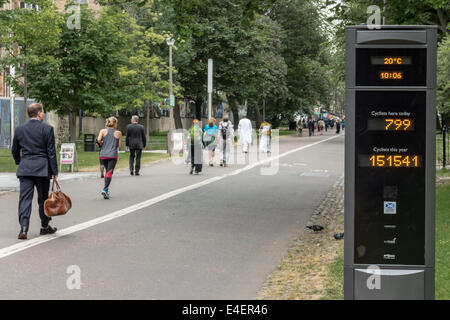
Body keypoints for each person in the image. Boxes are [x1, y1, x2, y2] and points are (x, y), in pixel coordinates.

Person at [11, 103, 58, 240]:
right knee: (43, 199)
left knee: (24, 199)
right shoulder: (47, 129)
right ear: (39, 113)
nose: (43, 114)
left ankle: (24, 228)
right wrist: (54, 171)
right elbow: (51, 153)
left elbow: (14, 150)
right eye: (43, 112)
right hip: (42, 169)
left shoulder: (19, 129)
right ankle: (44, 226)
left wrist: (19, 161)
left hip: (25, 168)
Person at [97, 117, 122, 199]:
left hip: (103, 154)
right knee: (109, 172)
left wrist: (102, 143)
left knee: (107, 172)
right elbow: (120, 146)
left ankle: (106, 191)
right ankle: (105, 189)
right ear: (115, 123)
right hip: (112, 155)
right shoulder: (118, 133)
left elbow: (98, 140)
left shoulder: (102, 131)